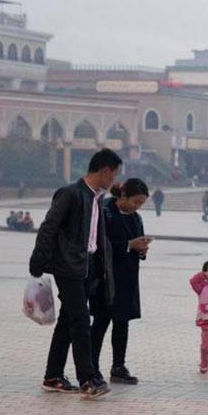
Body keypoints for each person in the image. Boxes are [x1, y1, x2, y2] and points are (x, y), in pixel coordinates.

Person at [29, 148, 121, 399]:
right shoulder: (70, 194)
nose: (114, 179)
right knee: (81, 321)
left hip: (86, 267)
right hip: (68, 267)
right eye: (113, 174)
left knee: (69, 321)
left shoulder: (95, 198)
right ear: (103, 171)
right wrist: (37, 263)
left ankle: (53, 375)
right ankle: (88, 380)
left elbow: (95, 237)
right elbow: (49, 227)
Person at [90, 179, 152, 385]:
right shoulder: (105, 212)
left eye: (141, 204)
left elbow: (137, 242)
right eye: (136, 202)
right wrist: (127, 245)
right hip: (106, 277)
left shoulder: (136, 218)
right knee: (101, 322)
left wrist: (142, 248)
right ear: (123, 196)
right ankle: (91, 368)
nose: (137, 207)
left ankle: (118, 366)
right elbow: (99, 243)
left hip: (128, 277)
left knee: (122, 322)